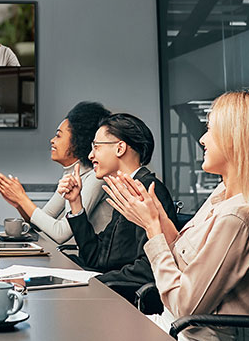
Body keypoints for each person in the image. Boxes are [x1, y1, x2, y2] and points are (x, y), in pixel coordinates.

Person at [105, 91, 249, 341]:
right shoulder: (222, 196)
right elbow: (188, 259)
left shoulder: (238, 217)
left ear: (239, 139)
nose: (202, 139)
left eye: (210, 129)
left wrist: (153, 230)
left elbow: (185, 305)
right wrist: (158, 218)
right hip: (172, 335)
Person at [61, 113, 177, 288]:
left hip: (126, 300)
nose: (91, 155)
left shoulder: (148, 191)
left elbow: (147, 270)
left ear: (120, 148)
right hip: (111, 286)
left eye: (96, 147)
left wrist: (94, 283)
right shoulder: (127, 189)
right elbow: (96, 257)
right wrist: (75, 202)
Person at [0, 101, 112, 243]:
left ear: (79, 141)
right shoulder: (72, 175)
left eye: (58, 136)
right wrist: (19, 204)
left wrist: (22, 198)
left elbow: (61, 233)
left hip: (96, 263)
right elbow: (40, 221)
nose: (52, 141)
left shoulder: (96, 178)